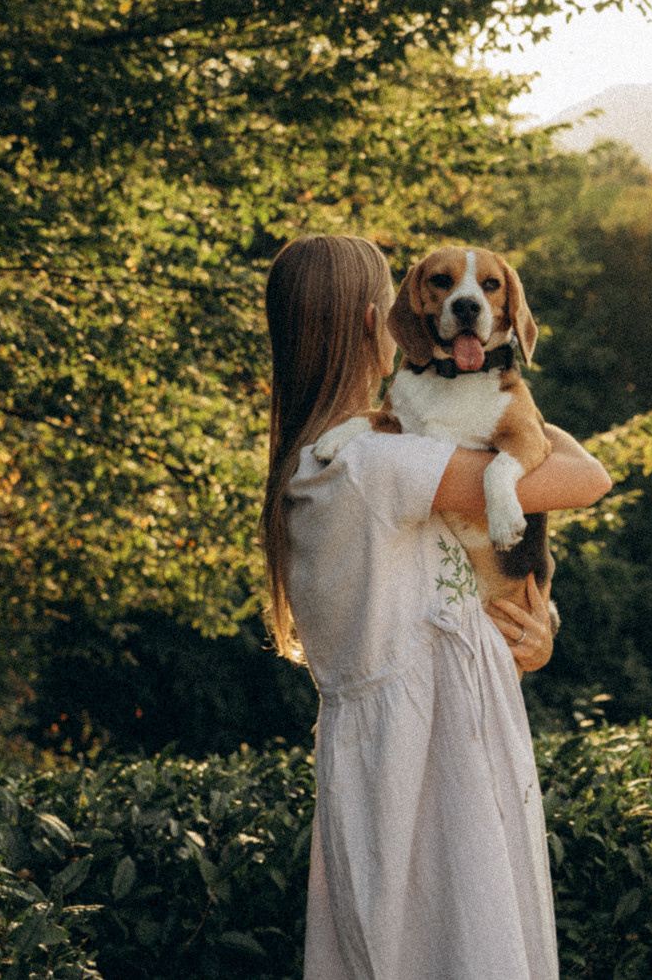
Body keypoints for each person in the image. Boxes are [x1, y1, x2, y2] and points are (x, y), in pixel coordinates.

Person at [260, 235, 613, 980]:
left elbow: (434, 596)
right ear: (374, 322)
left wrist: (528, 632)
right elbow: (585, 477)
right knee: (459, 946)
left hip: (391, 747)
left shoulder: (328, 461)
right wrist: (503, 394)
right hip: (435, 758)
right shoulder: (379, 464)